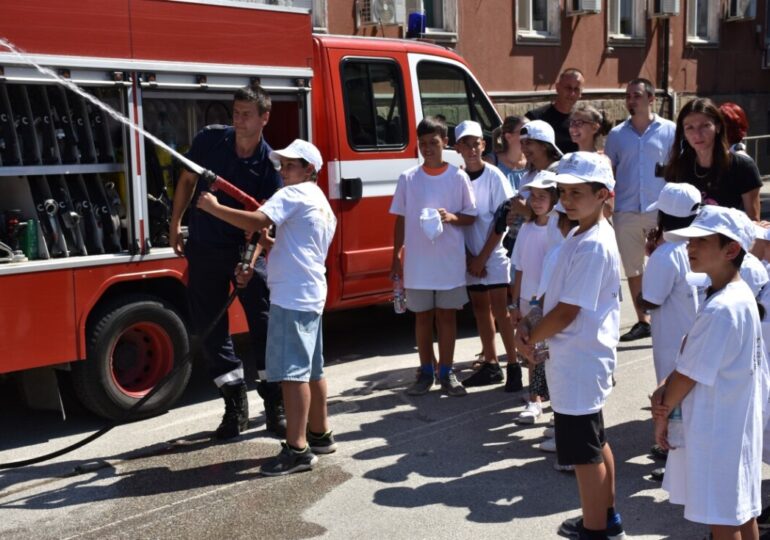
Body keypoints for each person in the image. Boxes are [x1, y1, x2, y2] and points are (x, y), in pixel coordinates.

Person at [196, 139, 337, 476]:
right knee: (312, 369)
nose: (283, 170)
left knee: (292, 374)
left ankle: (297, 449)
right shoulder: (321, 202)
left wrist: (212, 207)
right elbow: (299, 244)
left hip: (291, 296)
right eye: (282, 164)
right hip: (311, 292)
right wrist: (271, 248)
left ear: (309, 170)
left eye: (291, 165)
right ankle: (320, 434)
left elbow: (255, 221)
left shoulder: (292, 194)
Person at [516, 151, 626, 540]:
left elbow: (566, 312)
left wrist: (532, 339)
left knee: (583, 455)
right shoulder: (581, 232)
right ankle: (605, 518)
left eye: (578, 192)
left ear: (604, 194)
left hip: (579, 359)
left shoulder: (594, 243)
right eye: (564, 191)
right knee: (595, 441)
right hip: (575, 357)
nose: (568, 199)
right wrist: (529, 325)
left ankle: (596, 531)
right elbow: (554, 298)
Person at [169, 83, 284, 440]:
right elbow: (188, 178)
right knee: (210, 327)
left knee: (264, 323)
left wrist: (250, 263)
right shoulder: (210, 140)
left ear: (264, 118)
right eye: (235, 113)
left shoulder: (270, 165)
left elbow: (265, 222)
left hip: (242, 250)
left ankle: (275, 402)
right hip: (204, 249)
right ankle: (234, 404)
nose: (238, 121)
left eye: (246, 115)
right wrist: (176, 223)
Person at [651, 205, 765, 540]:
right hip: (734, 421)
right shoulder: (738, 296)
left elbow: (686, 376)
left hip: (718, 428)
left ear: (731, 249)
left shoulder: (722, 308)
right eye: (690, 240)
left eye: (701, 241)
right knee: (740, 511)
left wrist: (661, 408)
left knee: (722, 518)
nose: (691, 247)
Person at [390, 116, 477, 397]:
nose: (428, 148)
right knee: (422, 318)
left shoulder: (458, 177)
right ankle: (425, 371)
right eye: (423, 143)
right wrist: (396, 255)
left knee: (447, 318)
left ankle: (447, 372)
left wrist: (451, 217)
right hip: (418, 264)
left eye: (434, 143)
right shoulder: (408, 178)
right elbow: (400, 219)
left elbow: (470, 216)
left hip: (449, 263)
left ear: (445, 144)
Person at [604, 78, 676, 342]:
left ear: (651, 99)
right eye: (628, 96)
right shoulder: (617, 135)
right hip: (626, 210)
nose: (631, 100)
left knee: (665, 264)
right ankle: (642, 320)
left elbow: (676, 169)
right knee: (634, 268)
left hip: (660, 210)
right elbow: (609, 172)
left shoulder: (670, 130)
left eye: (636, 95)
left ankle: (667, 315)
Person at [637, 183, 702, 474]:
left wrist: (650, 260)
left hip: (672, 341)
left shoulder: (666, 254)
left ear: (663, 216)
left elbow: (649, 301)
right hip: (697, 335)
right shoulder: (699, 246)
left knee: (672, 401)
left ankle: (677, 462)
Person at [453, 121, 522, 390]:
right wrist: (471, 257)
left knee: (500, 310)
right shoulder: (456, 178)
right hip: (470, 258)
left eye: (476, 143)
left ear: (483, 144)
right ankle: (491, 363)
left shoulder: (494, 176)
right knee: (481, 309)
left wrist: (482, 257)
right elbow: (459, 219)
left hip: (493, 254)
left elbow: (502, 218)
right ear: (457, 148)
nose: (472, 149)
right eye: (465, 144)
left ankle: (513, 364)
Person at [509, 171, 559, 424]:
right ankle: (535, 401)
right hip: (528, 304)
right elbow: (519, 268)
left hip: (549, 305)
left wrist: (542, 301)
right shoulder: (527, 228)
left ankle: (559, 407)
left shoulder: (557, 229)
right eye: (533, 196)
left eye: (543, 196)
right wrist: (515, 303)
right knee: (531, 352)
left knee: (551, 354)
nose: (537, 201)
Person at [665, 97, 762, 220]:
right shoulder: (680, 165)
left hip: (729, 238)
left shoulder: (742, 166)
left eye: (705, 126)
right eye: (690, 127)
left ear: (718, 127)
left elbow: (753, 221)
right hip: (688, 238)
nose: (697, 134)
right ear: (683, 133)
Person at [526, 68, 585, 154]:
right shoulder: (536, 118)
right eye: (568, 88)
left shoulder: (584, 121)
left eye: (576, 89)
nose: (572, 93)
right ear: (557, 88)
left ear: (580, 93)